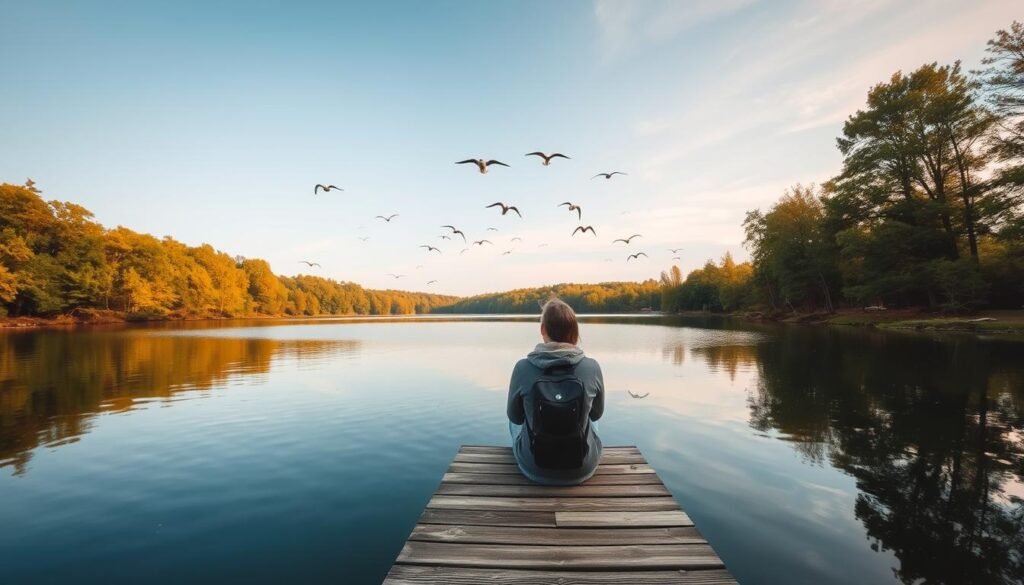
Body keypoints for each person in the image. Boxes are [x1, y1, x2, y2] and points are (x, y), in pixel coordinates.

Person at [507, 298, 604, 485]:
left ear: (543, 330)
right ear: (575, 331)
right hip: (582, 468)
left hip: (534, 468)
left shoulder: (522, 368)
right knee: (592, 419)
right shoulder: (592, 367)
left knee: (514, 421)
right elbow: (597, 414)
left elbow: (515, 418)